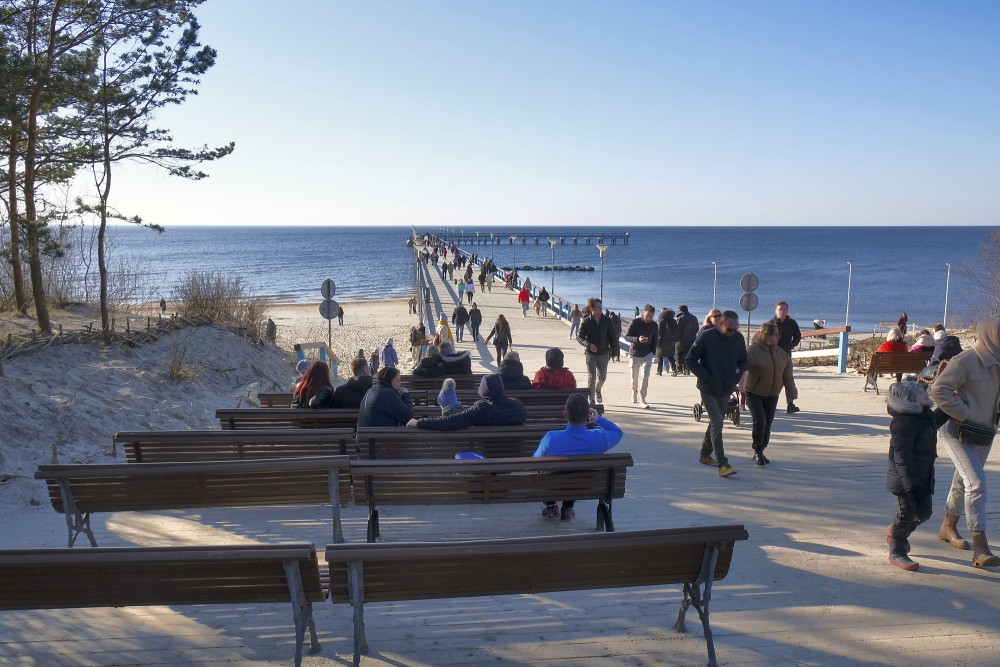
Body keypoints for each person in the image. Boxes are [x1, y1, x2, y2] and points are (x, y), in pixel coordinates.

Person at [929, 316, 1000, 568]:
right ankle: (980, 546)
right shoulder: (966, 360)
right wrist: (965, 412)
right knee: (977, 483)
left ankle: (948, 527)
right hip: (956, 431)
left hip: (984, 434)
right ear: (992, 334)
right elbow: (939, 390)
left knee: (964, 481)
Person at [533, 393, 624, 520]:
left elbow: (535, 460)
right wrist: (598, 419)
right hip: (587, 486)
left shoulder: (551, 437)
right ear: (588, 415)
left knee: (545, 472)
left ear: (565, 415)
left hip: (554, 485)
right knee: (577, 473)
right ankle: (568, 508)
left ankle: (551, 505)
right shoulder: (599, 438)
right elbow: (618, 432)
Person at [885, 379, 944, 571]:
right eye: (920, 392)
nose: (925, 394)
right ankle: (897, 549)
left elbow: (938, 419)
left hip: (924, 476)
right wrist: (909, 485)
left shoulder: (924, 416)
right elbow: (901, 457)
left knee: (924, 513)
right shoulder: (903, 423)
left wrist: (955, 403)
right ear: (910, 399)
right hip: (905, 480)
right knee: (906, 514)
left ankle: (895, 532)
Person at [687, 310, 747, 478]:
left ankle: (705, 454)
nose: (732, 332)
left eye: (735, 328)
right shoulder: (706, 337)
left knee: (715, 422)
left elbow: (744, 360)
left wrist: (736, 374)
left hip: (726, 388)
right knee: (718, 422)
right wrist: (706, 377)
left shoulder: (738, 338)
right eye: (729, 329)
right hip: (708, 388)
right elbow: (690, 360)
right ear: (721, 324)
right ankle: (723, 464)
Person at [744, 323, 797, 466]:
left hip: (773, 394)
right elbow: (740, 367)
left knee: (768, 424)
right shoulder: (753, 351)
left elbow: (788, 376)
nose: (779, 337)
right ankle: (757, 451)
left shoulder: (781, 354)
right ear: (767, 335)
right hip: (753, 393)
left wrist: (791, 393)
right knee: (760, 422)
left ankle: (762, 449)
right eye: (776, 334)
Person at [407, 373, 526, 430]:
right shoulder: (518, 406)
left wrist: (419, 422)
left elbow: (450, 422)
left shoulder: (481, 409)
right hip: (514, 457)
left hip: (485, 457)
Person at [577, 297, 617, 405]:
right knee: (592, 377)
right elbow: (579, 337)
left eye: (601, 306)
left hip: (604, 353)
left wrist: (614, 353)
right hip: (591, 354)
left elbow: (613, 337)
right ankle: (592, 400)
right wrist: (588, 345)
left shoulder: (607, 320)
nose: (601, 309)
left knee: (602, 377)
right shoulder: (586, 321)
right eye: (598, 307)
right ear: (591, 308)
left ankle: (598, 390)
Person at [769, 301, 803, 414]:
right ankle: (771, 403)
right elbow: (764, 338)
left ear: (787, 311)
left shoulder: (792, 323)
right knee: (774, 381)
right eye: (780, 309)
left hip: (787, 356)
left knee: (788, 380)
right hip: (772, 357)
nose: (782, 311)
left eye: (784, 309)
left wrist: (791, 345)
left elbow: (798, 337)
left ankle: (790, 404)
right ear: (776, 311)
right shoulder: (771, 324)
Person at [624, 304, 658, 408]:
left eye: (651, 317)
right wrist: (638, 339)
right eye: (647, 316)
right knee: (634, 378)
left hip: (647, 354)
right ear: (643, 313)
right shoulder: (635, 322)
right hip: (634, 354)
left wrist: (652, 352)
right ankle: (634, 393)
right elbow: (627, 337)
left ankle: (642, 399)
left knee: (645, 376)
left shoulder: (654, 325)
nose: (649, 319)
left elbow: (655, 340)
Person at [675, 305, 699, 376]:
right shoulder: (694, 317)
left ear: (680, 310)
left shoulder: (680, 318)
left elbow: (677, 329)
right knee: (687, 354)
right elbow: (697, 329)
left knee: (679, 354)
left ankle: (679, 369)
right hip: (692, 339)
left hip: (681, 339)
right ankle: (687, 369)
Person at [656, 308, 678, 376]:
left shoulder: (661, 321)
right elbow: (677, 332)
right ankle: (674, 370)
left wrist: (657, 342)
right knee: (670, 356)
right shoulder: (674, 321)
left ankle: (659, 371)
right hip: (671, 341)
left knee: (660, 356)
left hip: (662, 341)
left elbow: (659, 332)